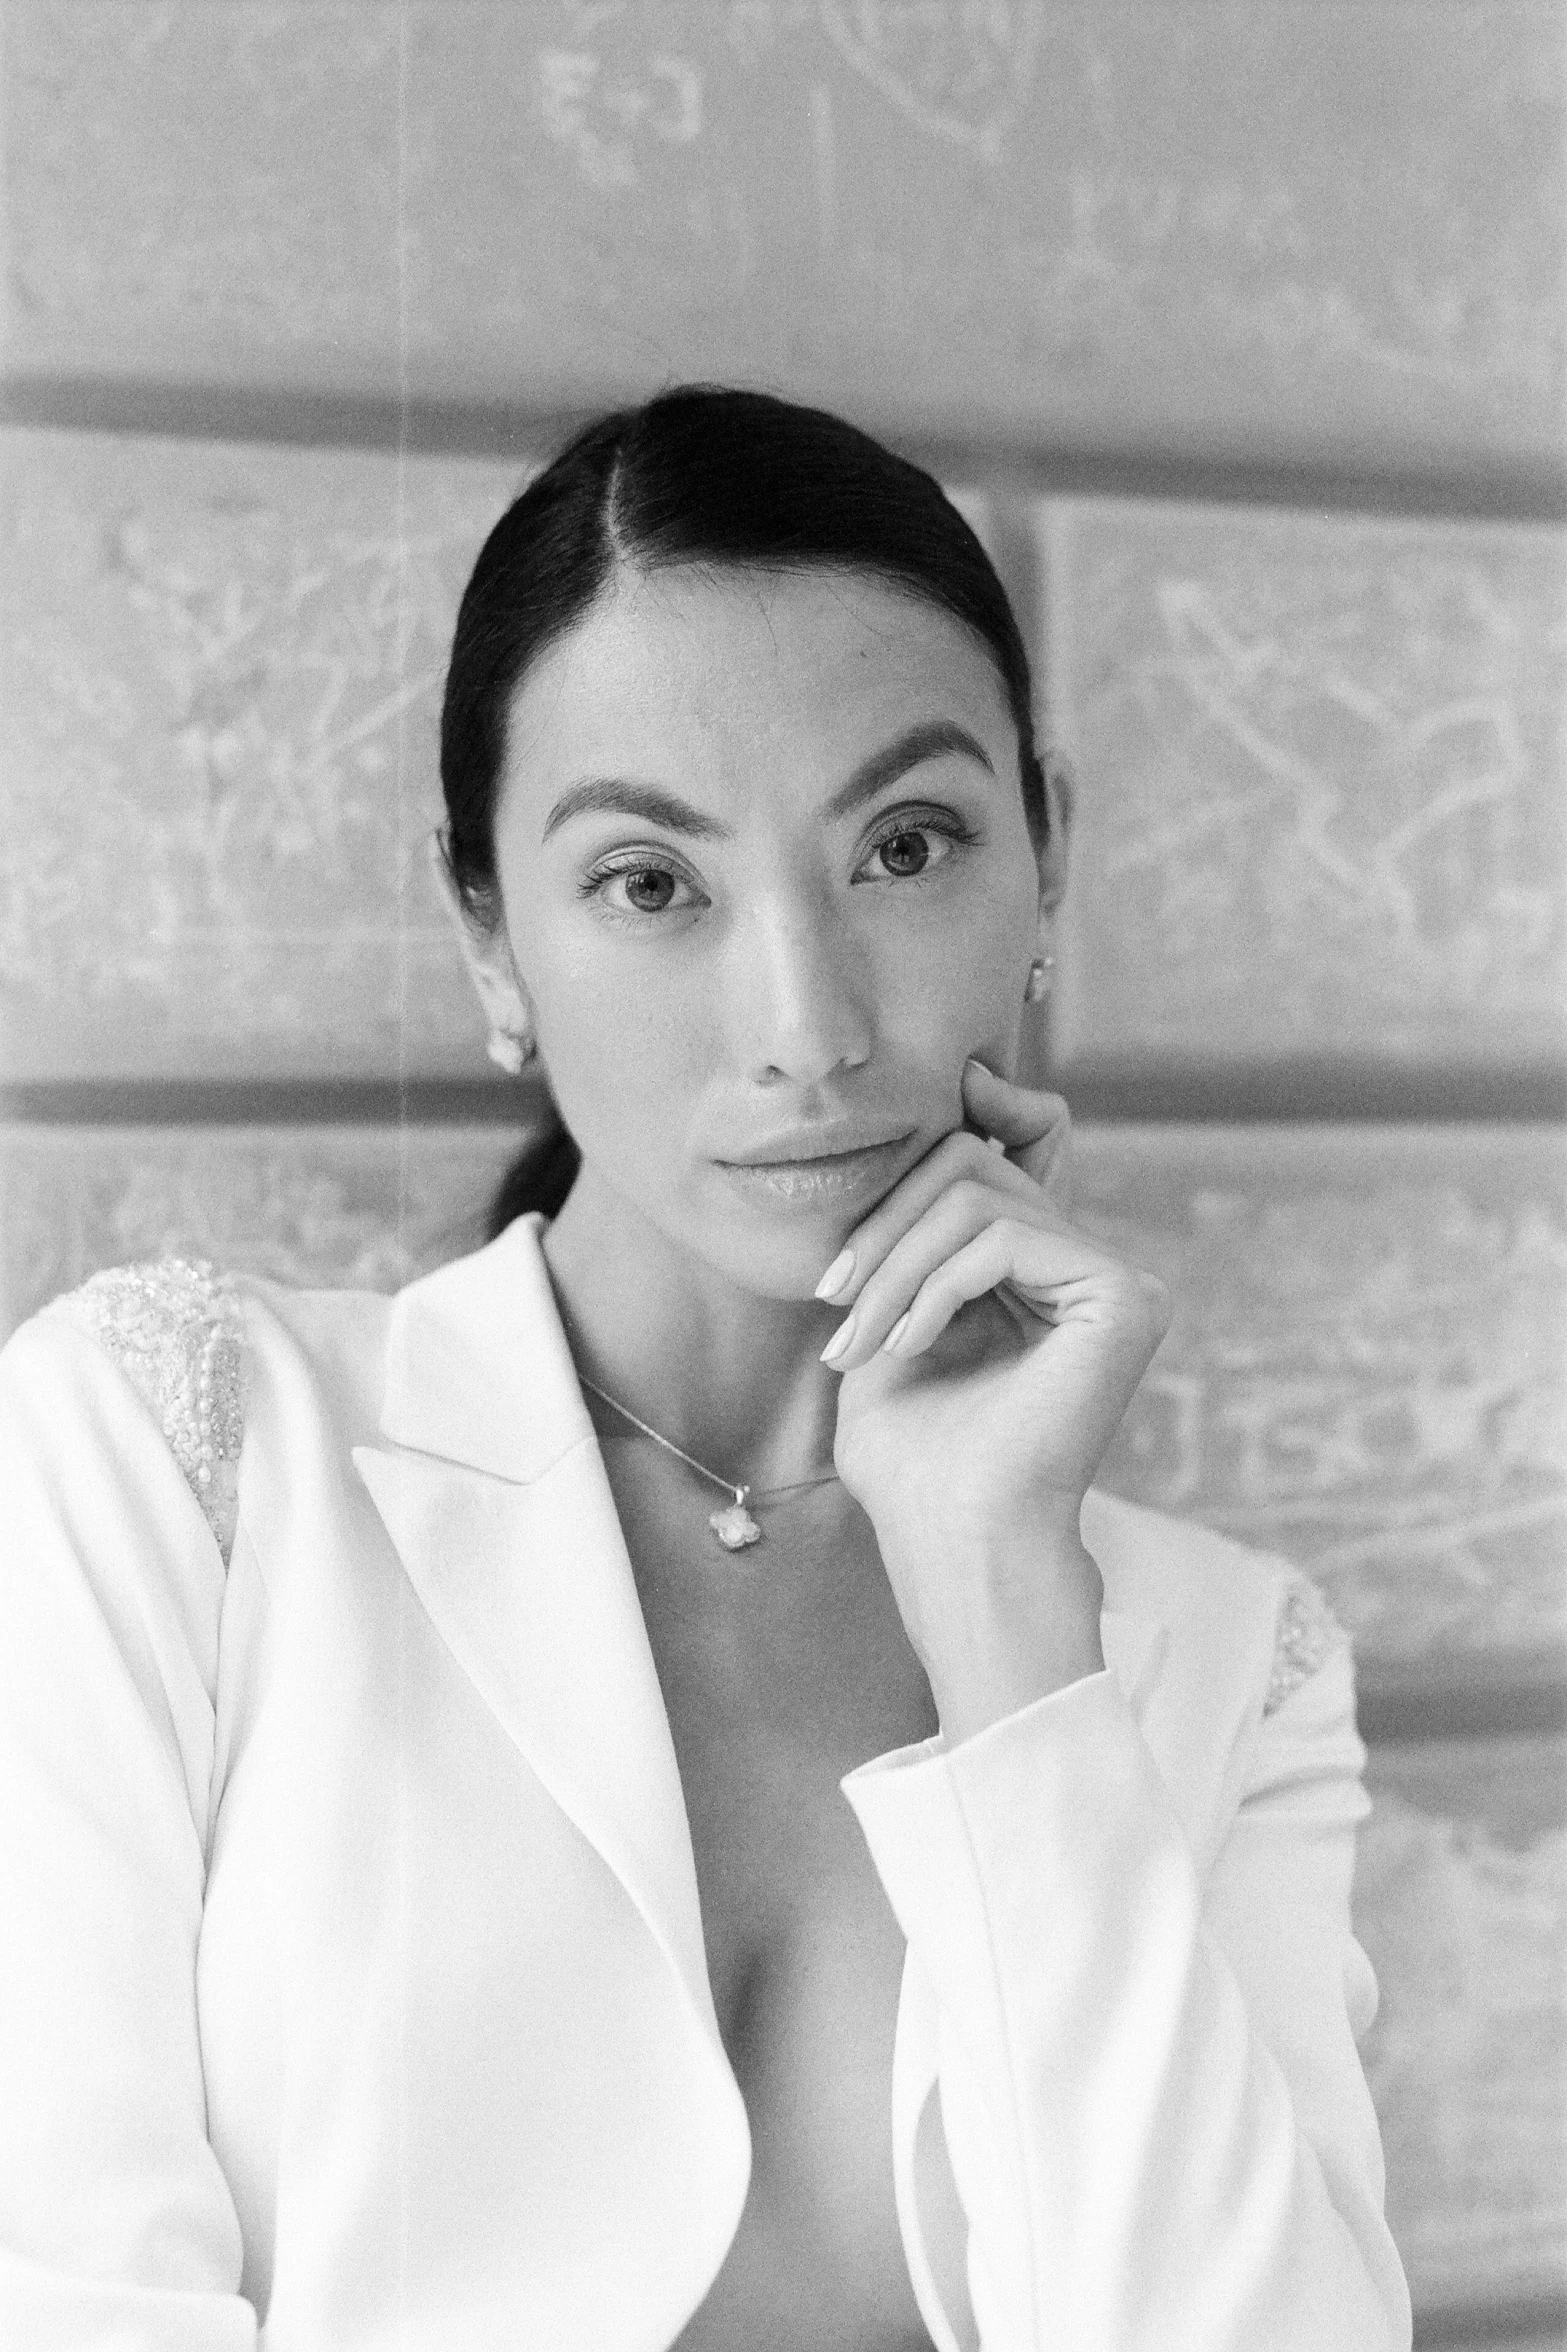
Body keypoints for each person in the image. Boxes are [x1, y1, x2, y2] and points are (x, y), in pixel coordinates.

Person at [0, 387, 1412, 2351]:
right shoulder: (171, 1473)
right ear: (490, 943)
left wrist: (1007, 1611)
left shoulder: (1222, 1659)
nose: (808, 1026)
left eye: (905, 846)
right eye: (652, 884)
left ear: (1049, 856)